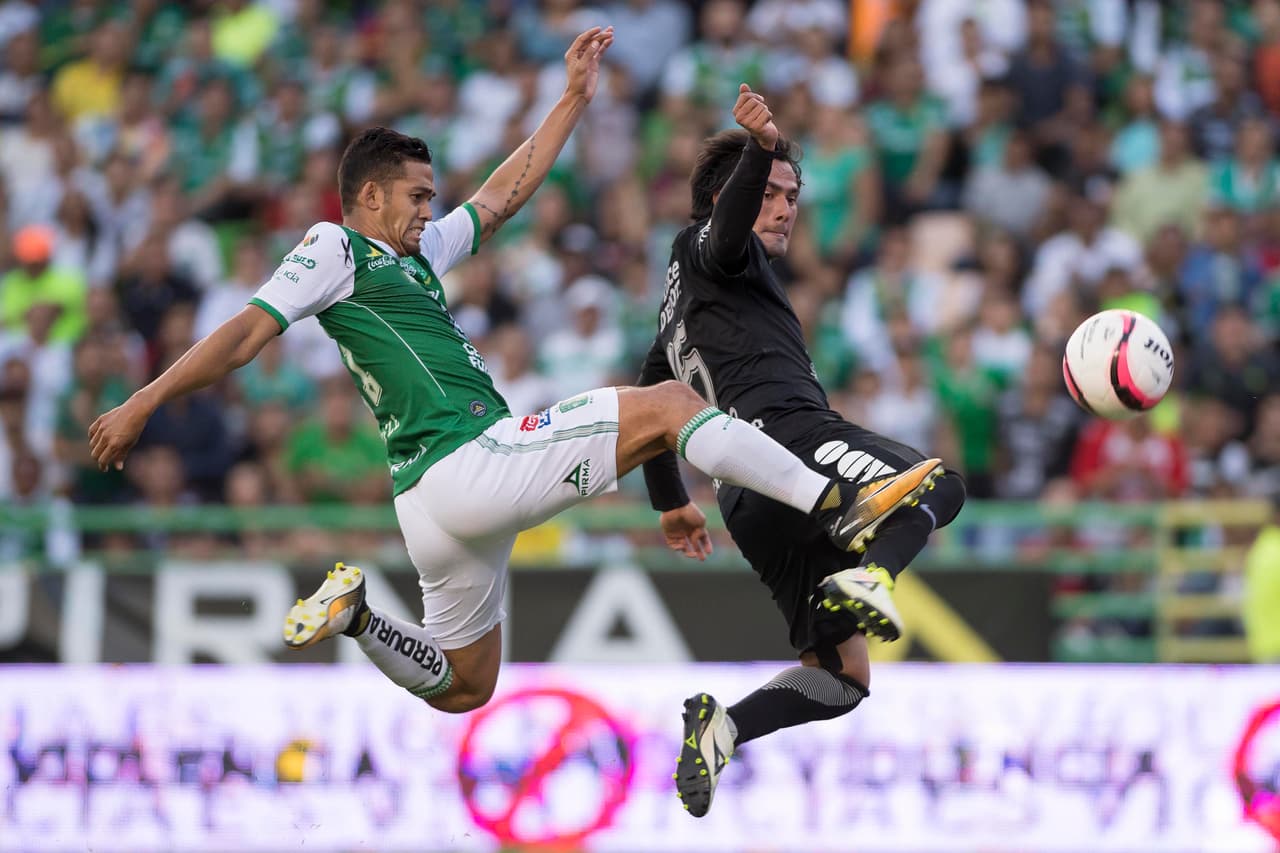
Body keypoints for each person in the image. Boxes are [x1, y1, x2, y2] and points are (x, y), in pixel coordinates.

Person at [87, 30, 930, 716]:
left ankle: (357, 616)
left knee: (463, 685)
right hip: (469, 456)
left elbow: (500, 197)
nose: (429, 209)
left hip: (428, 502)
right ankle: (836, 498)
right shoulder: (335, 247)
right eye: (416, 196)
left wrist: (570, 99)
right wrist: (142, 401)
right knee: (671, 400)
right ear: (370, 197)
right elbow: (242, 334)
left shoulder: (409, 261)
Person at [639, 84, 966, 817]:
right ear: (731, 197)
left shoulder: (679, 308)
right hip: (794, 443)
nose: (787, 206)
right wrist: (760, 146)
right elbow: (724, 234)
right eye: (773, 193)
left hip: (743, 500)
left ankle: (725, 727)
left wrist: (670, 504)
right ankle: (872, 574)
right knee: (942, 486)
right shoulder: (708, 247)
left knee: (843, 674)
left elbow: (650, 398)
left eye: (793, 193)